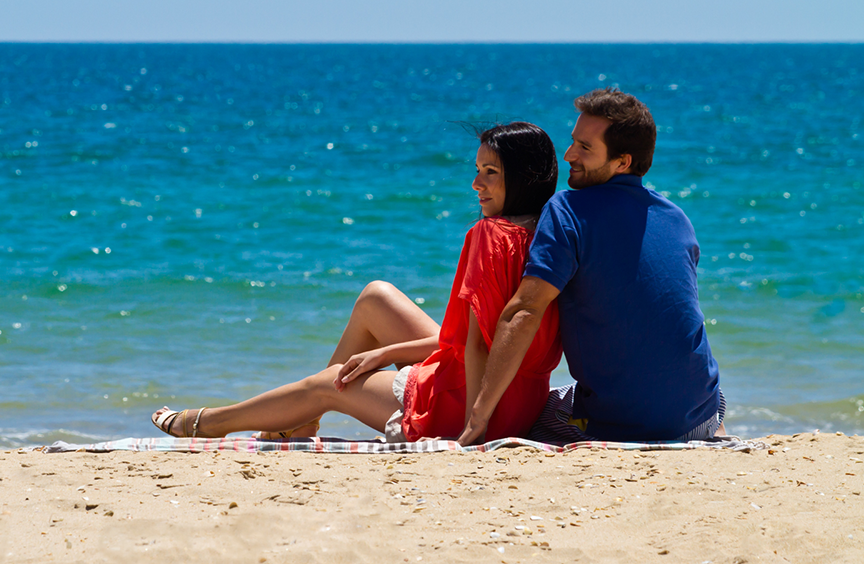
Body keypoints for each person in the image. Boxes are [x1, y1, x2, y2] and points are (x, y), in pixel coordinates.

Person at [151, 122, 562, 442]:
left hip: (475, 403)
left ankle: (210, 422)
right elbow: (486, 340)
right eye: (477, 170)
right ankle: (301, 419)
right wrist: (385, 354)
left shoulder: (491, 235)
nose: (476, 183)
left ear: (524, 176)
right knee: (376, 298)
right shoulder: (553, 230)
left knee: (328, 384)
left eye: (490, 172)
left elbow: (475, 348)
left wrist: (476, 427)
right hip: (522, 401)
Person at [457, 88, 723, 446]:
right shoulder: (677, 218)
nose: (569, 155)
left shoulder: (568, 211)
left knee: (539, 413)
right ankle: (717, 428)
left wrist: (478, 418)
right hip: (700, 416)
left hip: (619, 429)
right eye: (573, 142)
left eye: (585, 148)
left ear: (622, 162)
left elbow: (524, 311)